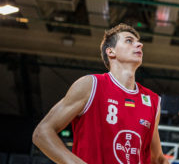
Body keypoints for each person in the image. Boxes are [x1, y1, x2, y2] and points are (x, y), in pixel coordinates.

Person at [32, 24, 167, 164]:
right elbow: (41, 133)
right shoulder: (91, 85)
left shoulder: (152, 100)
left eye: (138, 42)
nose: (139, 45)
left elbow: (157, 159)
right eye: (129, 40)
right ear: (111, 51)